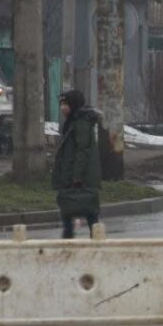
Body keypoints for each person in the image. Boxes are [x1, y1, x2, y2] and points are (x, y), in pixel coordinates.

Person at [53, 89, 102, 239]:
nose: (62, 108)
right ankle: (73, 236)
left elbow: (82, 150)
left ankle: (91, 239)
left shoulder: (81, 122)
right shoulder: (72, 121)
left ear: (73, 105)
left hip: (81, 175)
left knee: (86, 208)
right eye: (61, 104)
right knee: (74, 207)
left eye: (65, 104)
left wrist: (76, 176)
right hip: (72, 173)